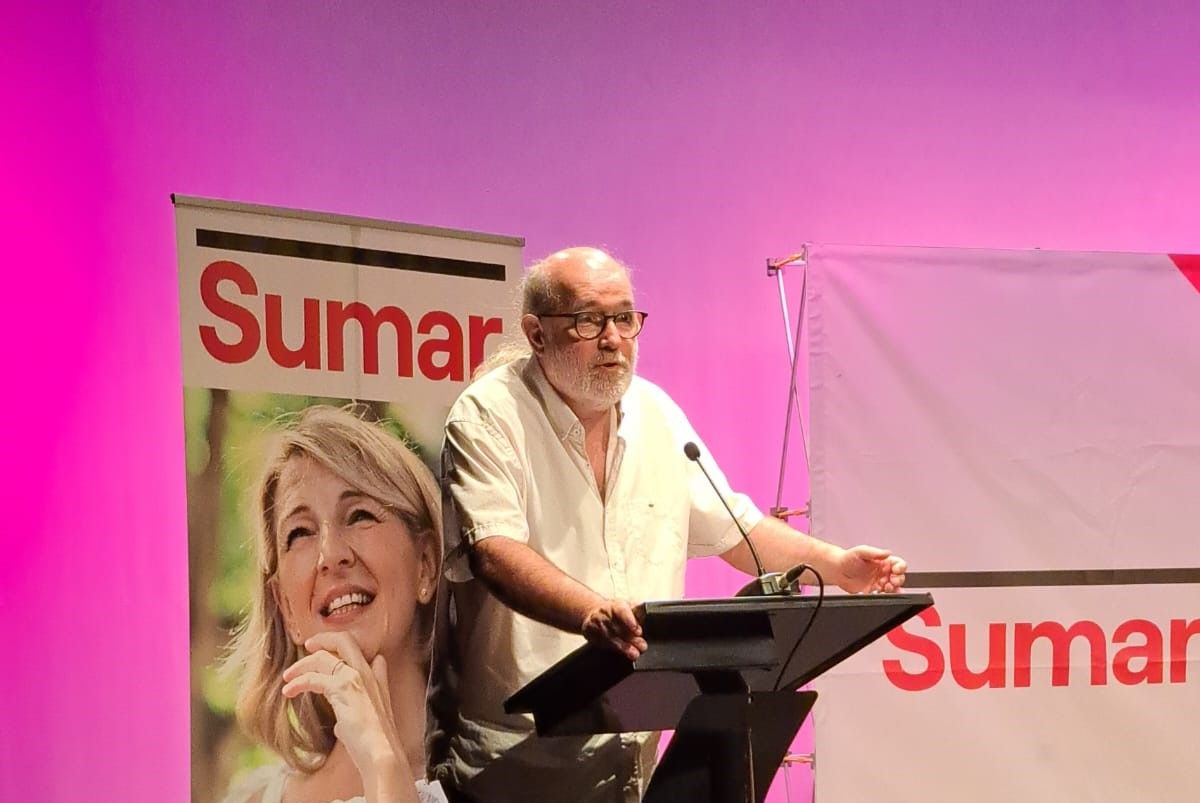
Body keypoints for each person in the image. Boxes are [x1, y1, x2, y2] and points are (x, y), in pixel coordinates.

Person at [434, 247, 908, 803]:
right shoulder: (488, 414)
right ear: (537, 334)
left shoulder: (655, 411)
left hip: (627, 743)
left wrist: (836, 564)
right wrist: (588, 611)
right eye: (589, 320)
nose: (613, 338)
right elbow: (493, 549)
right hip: (518, 757)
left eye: (625, 318)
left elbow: (737, 529)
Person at [220, 405, 448, 803]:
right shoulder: (251, 797)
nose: (329, 554)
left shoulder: (507, 781)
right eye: (300, 533)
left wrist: (381, 762)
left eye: (359, 515)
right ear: (286, 609)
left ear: (426, 564)